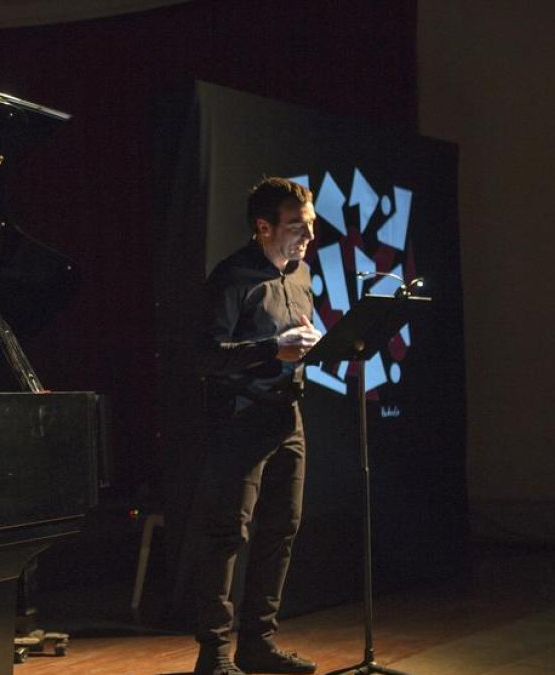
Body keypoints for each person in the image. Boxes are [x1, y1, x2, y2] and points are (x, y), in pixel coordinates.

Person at [191, 178, 322, 675]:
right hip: (239, 419)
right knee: (228, 534)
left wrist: (312, 345)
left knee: (282, 529)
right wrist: (273, 349)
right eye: (296, 227)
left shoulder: (301, 273)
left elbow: (296, 342)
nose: (306, 237)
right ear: (263, 227)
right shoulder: (232, 278)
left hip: (287, 415)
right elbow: (205, 355)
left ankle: (259, 644)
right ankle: (215, 654)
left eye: (309, 226)